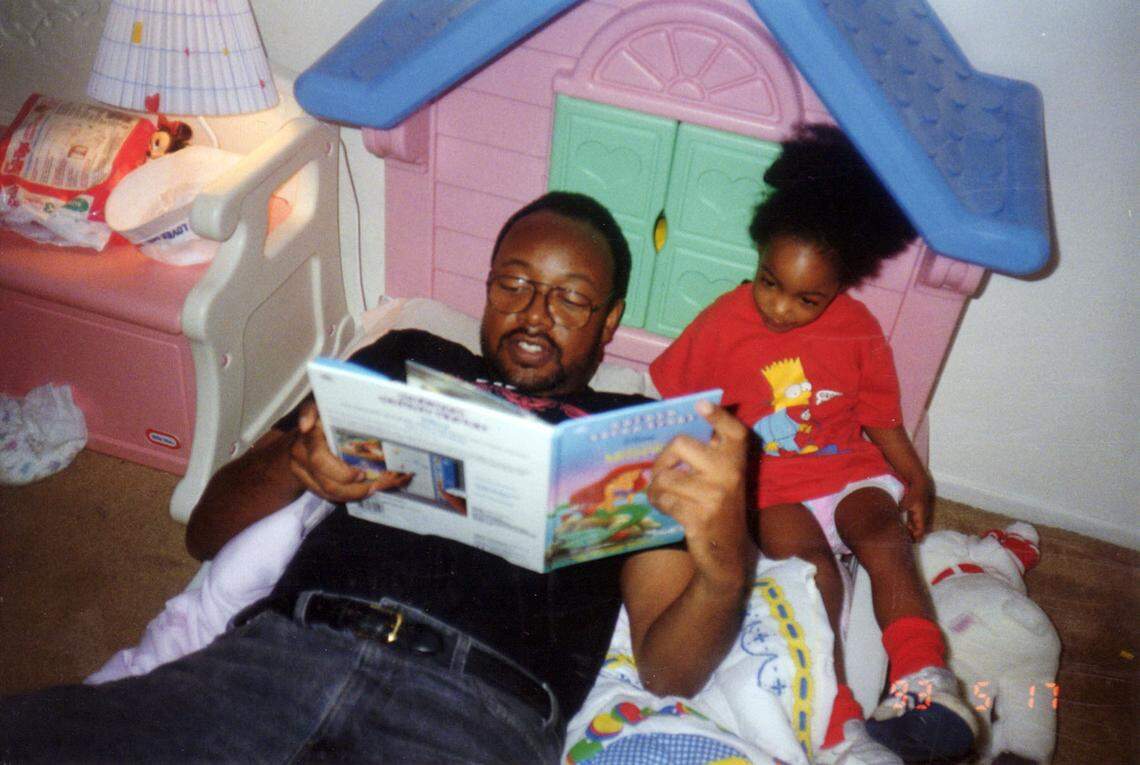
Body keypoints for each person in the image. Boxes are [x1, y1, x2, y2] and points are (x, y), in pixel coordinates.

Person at [0, 191, 756, 764]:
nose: (534, 313)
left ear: (610, 319)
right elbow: (204, 532)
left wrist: (727, 563)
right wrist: (292, 462)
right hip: (281, 661)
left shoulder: (633, 435)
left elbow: (668, 671)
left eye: (572, 298)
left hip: (476, 715)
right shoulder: (406, 355)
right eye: (513, 284)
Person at [649, 125, 978, 764]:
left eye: (807, 299)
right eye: (768, 282)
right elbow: (676, 405)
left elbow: (880, 415)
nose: (779, 308)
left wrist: (916, 478)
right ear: (758, 257)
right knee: (814, 575)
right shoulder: (724, 320)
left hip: (847, 467)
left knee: (884, 539)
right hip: (769, 486)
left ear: (841, 285)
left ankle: (925, 680)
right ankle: (838, 721)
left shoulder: (858, 329)